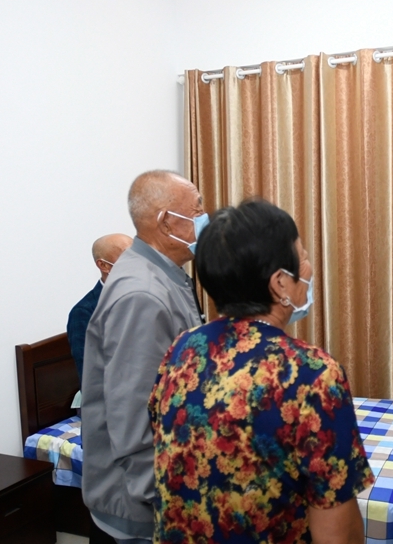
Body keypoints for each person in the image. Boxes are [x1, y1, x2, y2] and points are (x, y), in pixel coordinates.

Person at [149, 199, 373, 544]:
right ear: (281, 283)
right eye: (303, 257)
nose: (309, 269)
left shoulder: (182, 349)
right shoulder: (311, 374)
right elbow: (337, 532)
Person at [82, 170, 207, 543]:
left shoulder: (164, 275)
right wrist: (170, 502)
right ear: (167, 221)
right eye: (197, 210)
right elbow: (133, 416)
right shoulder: (142, 294)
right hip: (145, 508)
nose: (205, 219)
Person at [67, 234, 132, 384]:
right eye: (128, 255)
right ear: (104, 265)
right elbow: (90, 376)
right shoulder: (85, 312)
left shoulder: (147, 295)